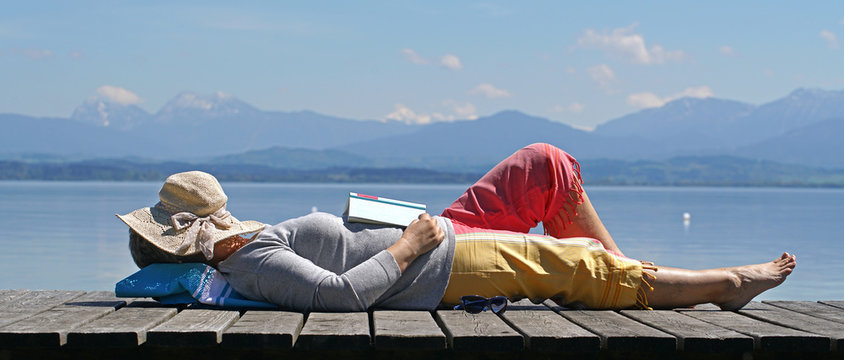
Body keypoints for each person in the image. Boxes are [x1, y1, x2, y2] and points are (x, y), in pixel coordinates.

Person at [118, 143, 796, 312]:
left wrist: (390, 219)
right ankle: (720, 285)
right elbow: (339, 297)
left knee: (544, 165)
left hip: (436, 232)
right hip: (435, 260)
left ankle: (631, 280)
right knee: (572, 262)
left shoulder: (246, 242)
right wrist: (409, 244)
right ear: (199, 230)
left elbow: (336, 249)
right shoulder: (246, 261)